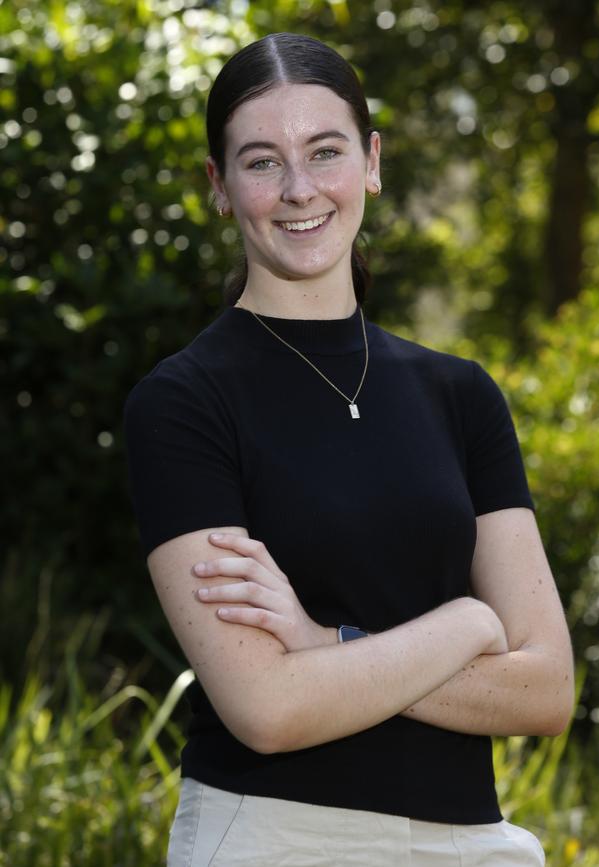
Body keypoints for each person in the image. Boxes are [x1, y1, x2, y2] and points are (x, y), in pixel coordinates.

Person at [123, 32, 574, 867]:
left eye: (324, 151)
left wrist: (322, 642)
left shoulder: (461, 394)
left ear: (371, 160)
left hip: (472, 842)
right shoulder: (183, 403)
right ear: (220, 188)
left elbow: (546, 687)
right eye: (261, 162)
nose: (299, 190)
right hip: (275, 836)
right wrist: (468, 624)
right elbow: (266, 708)